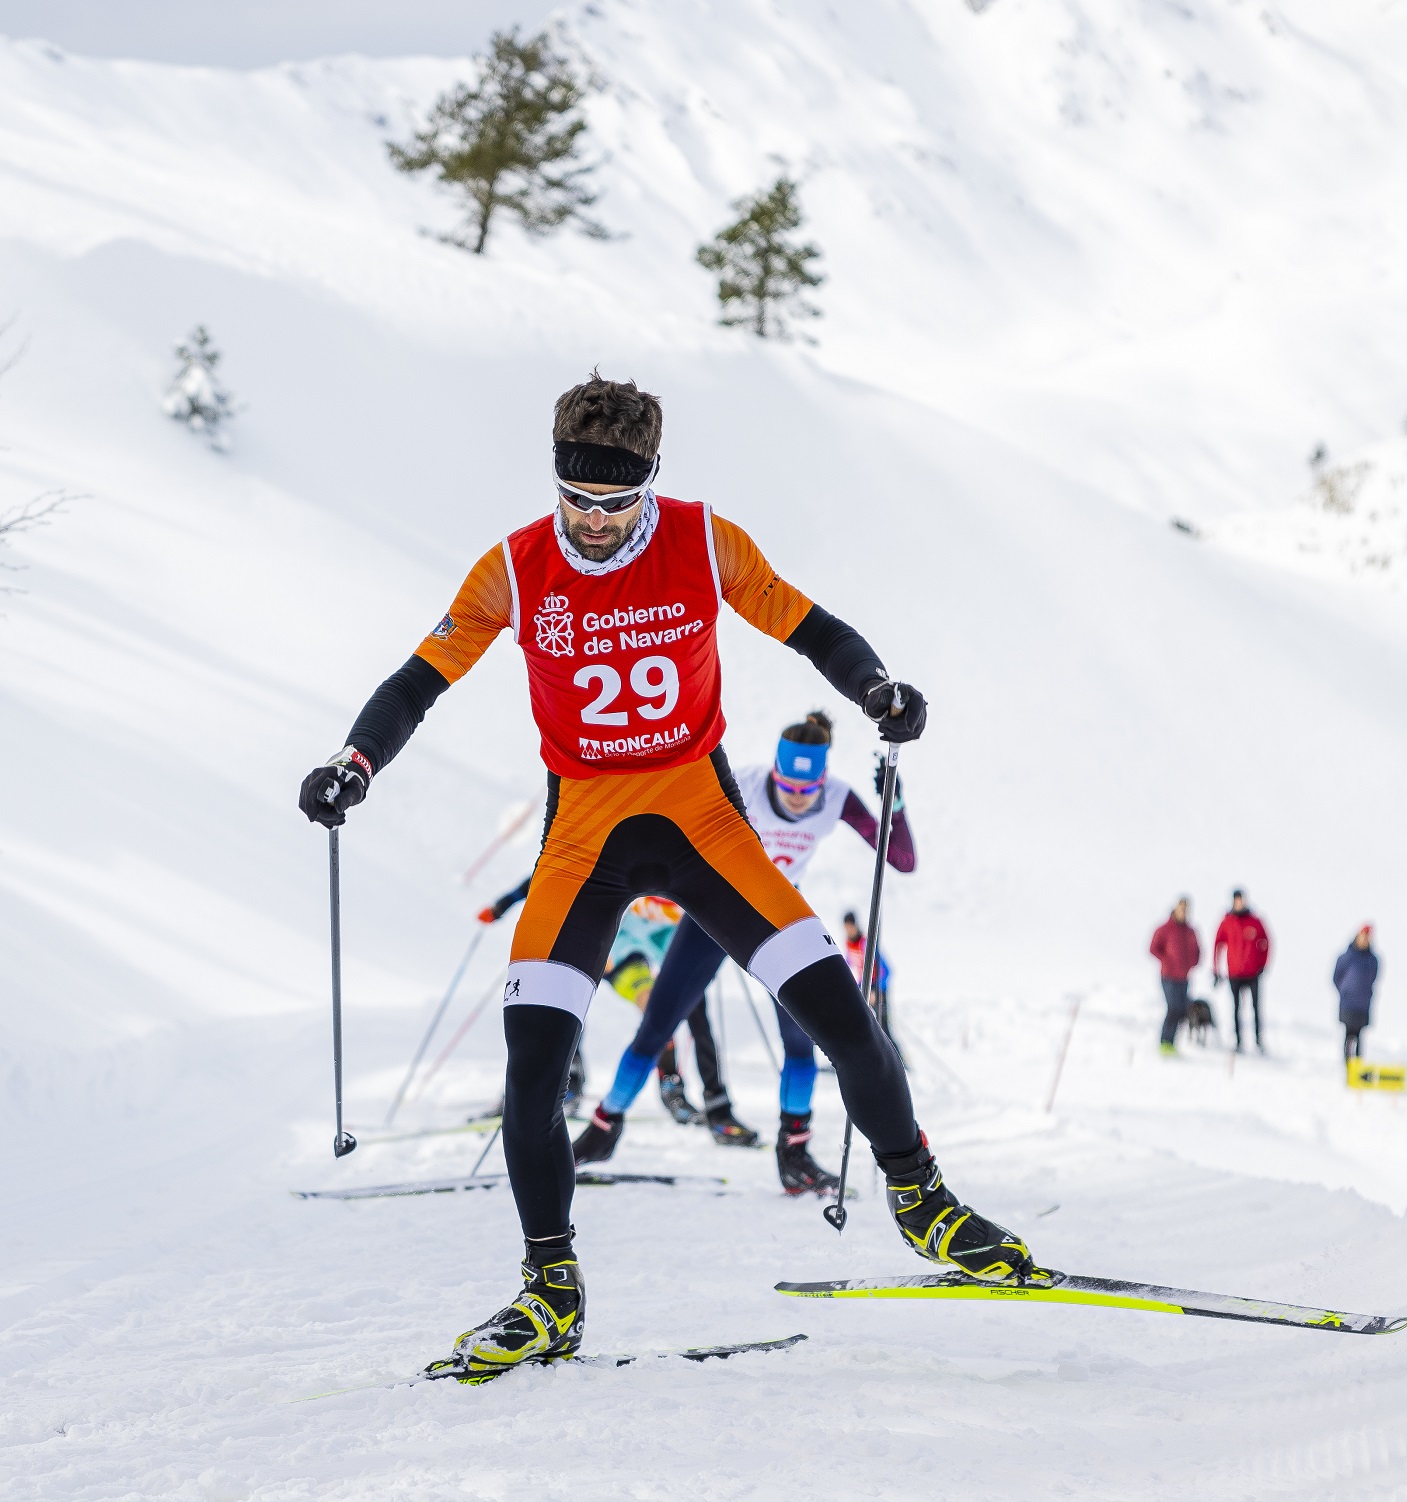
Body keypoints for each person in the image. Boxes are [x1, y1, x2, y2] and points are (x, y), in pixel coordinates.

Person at [298, 372, 1044, 1379]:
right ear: (555, 480)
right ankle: (550, 1289)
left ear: (650, 484)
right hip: (583, 842)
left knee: (844, 1014)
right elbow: (417, 680)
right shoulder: (514, 570)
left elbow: (809, 624)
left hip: (702, 820)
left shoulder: (701, 540)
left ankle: (923, 1201)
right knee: (531, 1071)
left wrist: (877, 689)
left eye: (617, 503)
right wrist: (356, 761)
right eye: (578, 501)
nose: (596, 524)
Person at [571, 711, 918, 1194]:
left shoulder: (838, 797)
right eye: (788, 786)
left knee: (801, 1042)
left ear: (821, 780)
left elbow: (900, 860)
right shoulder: (746, 784)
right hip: (717, 907)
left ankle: (793, 1152)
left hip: (779, 916)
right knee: (657, 1027)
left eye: (807, 789)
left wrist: (894, 804)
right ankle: (602, 1131)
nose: (797, 798)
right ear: (775, 773)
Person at [479, 878, 723, 1124]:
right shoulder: (642, 862)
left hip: (651, 952)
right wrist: (501, 906)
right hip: (611, 947)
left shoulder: (688, 873)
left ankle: (677, 1089)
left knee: (674, 1011)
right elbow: (552, 875)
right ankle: (561, 1081)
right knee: (564, 1000)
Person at [1212, 889, 1272, 1054]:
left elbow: (1266, 943)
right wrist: (1216, 969)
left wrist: (1263, 965)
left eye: (1242, 900)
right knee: (1236, 1008)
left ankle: (1259, 1040)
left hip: (1253, 973)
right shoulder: (1227, 922)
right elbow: (1217, 944)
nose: (1240, 903)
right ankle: (1238, 1041)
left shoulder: (1255, 921)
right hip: (1235, 973)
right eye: (1237, 900)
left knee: (1255, 1008)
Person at [1150, 898, 1200, 1056]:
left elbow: (1197, 951)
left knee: (1181, 1010)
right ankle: (1164, 1042)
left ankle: (1172, 1044)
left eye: (1186, 910)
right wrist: (1167, 960)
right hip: (1168, 976)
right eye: (1182, 909)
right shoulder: (1165, 929)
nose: (1184, 912)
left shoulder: (1190, 931)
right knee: (1173, 1008)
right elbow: (1153, 948)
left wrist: (1192, 963)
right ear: (1176, 909)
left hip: (1184, 977)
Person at [1333, 925, 1378, 1063]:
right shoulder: (1347, 956)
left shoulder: (1372, 960)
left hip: (1363, 1003)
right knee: (1348, 1035)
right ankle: (1346, 1063)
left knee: (1359, 1036)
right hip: (1348, 1002)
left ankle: (1358, 1065)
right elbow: (1336, 977)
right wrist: (1345, 990)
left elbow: (1374, 978)